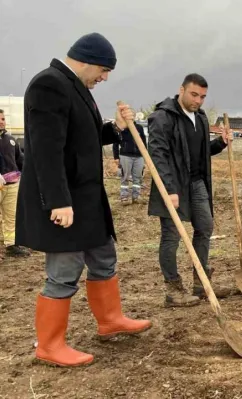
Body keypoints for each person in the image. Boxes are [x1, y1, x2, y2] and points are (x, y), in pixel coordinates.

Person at [16, 33, 152, 367]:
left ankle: (110, 320)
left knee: (104, 258)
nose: (104, 78)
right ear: (86, 60)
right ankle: (49, 345)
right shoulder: (49, 85)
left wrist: (115, 127)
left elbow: (83, 140)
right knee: (64, 271)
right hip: (65, 201)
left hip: (88, 200)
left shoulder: (76, 88)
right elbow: (47, 151)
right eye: (103, 70)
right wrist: (58, 202)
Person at [148, 73, 233, 307]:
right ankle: (173, 290)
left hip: (197, 184)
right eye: (194, 94)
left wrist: (221, 143)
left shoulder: (201, 118)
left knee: (205, 227)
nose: (198, 101)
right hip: (173, 185)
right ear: (182, 90)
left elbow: (201, 152)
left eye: (203, 97)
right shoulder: (163, 117)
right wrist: (169, 189)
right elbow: (158, 156)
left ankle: (201, 282)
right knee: (171, 236)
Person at [0, 109, 30, 257]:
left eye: (3, 119)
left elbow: (20, 160)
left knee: (11, 216)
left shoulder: (10, 140)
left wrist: (27, 173)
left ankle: (11, 245)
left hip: (12, 185)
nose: (1, 121)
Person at [112, 122, 146, 205]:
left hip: (139, 156)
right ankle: (124, 197)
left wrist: (145, 155)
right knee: (125, 176)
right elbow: (115, 143)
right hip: (125, 155)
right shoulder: (121, 128)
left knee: (138, 177)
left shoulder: (139, 127)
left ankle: (136, 197)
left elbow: (143, 141)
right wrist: (116, 157)